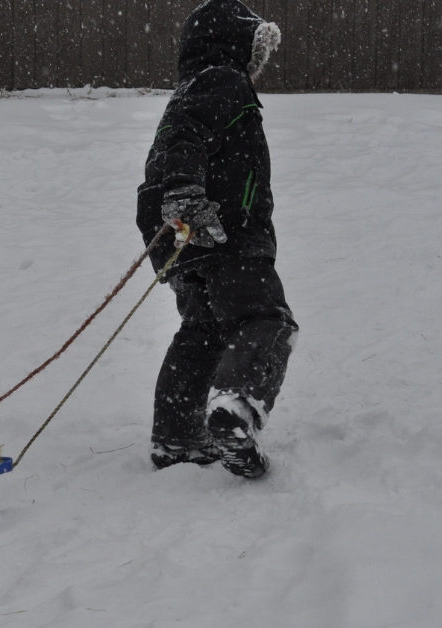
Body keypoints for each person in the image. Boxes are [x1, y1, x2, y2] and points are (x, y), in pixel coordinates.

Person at [136, 0, 298, 478]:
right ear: (231, 43)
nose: (256, 62)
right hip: (222, 230)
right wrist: (186, 191)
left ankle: (178, 436)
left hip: (182, 238)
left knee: (203, 331)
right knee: (266, 319)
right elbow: (183, 138)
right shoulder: (223, 81)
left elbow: (177, 139)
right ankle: (238, 407)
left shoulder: (190, 88)